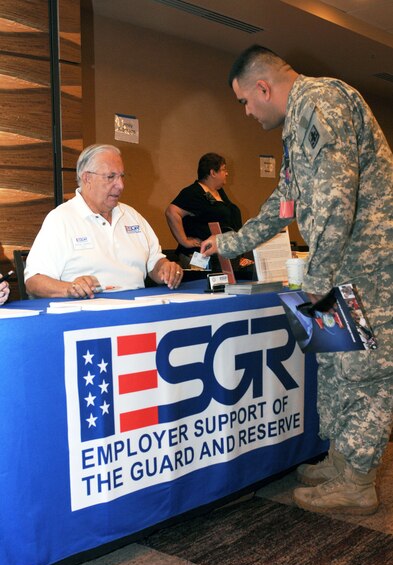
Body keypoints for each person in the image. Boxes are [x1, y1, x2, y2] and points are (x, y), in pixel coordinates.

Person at [201, 45, 393, 515]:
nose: (246, 111)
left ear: (263, 87)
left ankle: (358, 483)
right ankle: (343, 462)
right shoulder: (296, 128)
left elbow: (334, 199)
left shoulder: (320, 102)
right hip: (341, 266)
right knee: (336, 366)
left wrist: (318, 279)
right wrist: (231, 243)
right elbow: (285, 200)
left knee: (365, 374)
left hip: (367, 268)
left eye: (245, 101)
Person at [25, 144, 183, 298]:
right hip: (88, 315)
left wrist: (165, 268)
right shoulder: (61, 219)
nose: (120, 185)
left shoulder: (131, 215)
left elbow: (154, 262)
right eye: (110, 177)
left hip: (137, 311)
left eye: (121, 176)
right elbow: (34, 281)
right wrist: (69, 289)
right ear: (87, 178)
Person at [165, 153, 243, 270]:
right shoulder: (193, 192)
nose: (226, 173)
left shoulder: (219, 192)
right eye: (223, 169)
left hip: (221, 255)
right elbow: (171, 212)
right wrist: (184, 241)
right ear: (213, 173)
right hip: (200, 257)